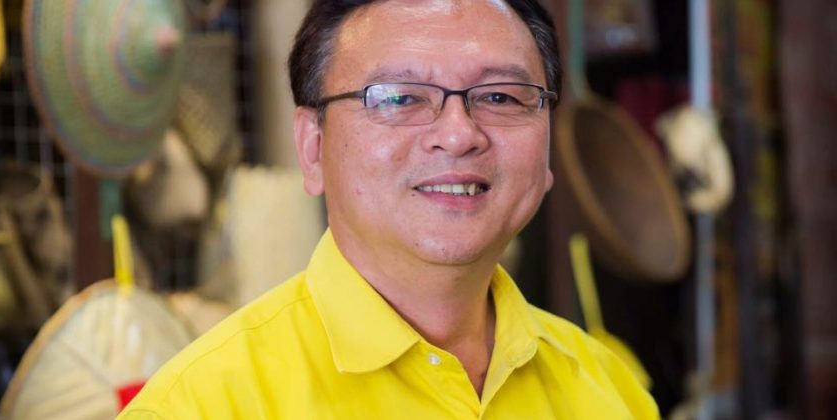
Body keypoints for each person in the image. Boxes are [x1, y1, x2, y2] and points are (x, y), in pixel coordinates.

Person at [119, 0, 659, 418]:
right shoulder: (202, 404)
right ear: (313, 148)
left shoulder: (610, 390)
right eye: (399, 97)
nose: (458, 135)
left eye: (500, 97)